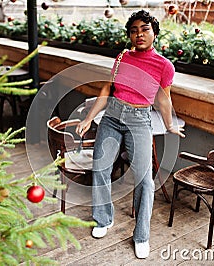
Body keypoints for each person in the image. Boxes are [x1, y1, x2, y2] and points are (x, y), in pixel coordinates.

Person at [76, 10, 185, 259]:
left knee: (145, 179)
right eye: (134, 30)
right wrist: (89, 117)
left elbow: (163, 99)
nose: (139, 34)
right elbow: (108, 87)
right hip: (112, 116)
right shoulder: (123, 56)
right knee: (101, 167)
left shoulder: (164, 66)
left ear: (154, 33)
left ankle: (141, 235)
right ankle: (103, 220)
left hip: (139, 120)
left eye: (145, 29)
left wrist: (169, 125)